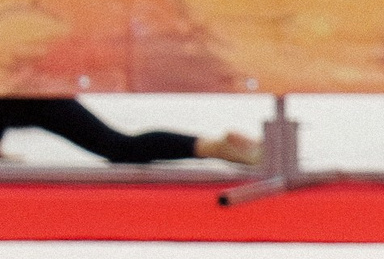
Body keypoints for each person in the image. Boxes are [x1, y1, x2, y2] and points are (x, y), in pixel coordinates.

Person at [0, 97, 257, 166]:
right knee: (119, 146)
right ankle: (215, 147)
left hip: (24, 95)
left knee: (118, 146)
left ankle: (218, 148)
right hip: (27, 93)